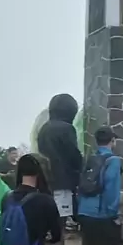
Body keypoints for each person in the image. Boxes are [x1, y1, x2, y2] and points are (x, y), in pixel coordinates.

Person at [77, 127, 123, 245]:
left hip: (84, 212)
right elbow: (111, 189)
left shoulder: (89, 159)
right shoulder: (113, 160)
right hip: (102, 215)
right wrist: (113, 215)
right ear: (112, 140)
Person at [37, 93, 83, 225]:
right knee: (64, 217)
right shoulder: (67, 128)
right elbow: (72, 153)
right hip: (64, 180)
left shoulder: (44, 128)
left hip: (46, 179)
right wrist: (81, 167)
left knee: (50, 219)